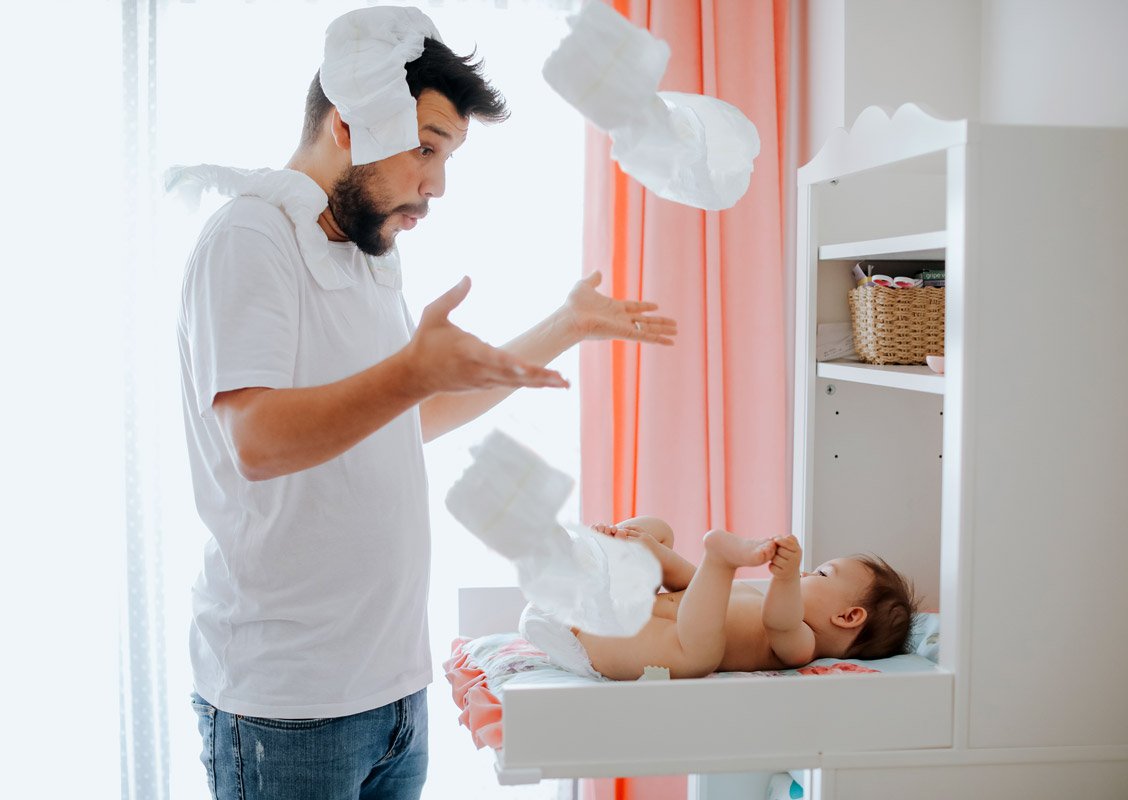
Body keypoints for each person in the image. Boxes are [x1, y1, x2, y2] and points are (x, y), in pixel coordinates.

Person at [174, 7, 676, 800]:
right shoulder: (250, 238)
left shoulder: (371, 259)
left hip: (391, 689)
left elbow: (400, 425)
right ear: (347, 123)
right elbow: (258, 441)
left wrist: (561, 328)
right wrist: (411, 371)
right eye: (427, 149)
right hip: (288, 707)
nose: (436, 184)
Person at [526, 516, 917, 680]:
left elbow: (781, 620)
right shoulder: (746, 596)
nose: (803, 573)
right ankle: (591, 557)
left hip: (602, 639)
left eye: (821, 574)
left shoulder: (803, 645)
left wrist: (783, 580)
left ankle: (591, 579)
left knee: (699, 657)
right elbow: (687, 583)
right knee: (656, 530)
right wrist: (647, 550)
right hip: (613, 606)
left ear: (847, 617)